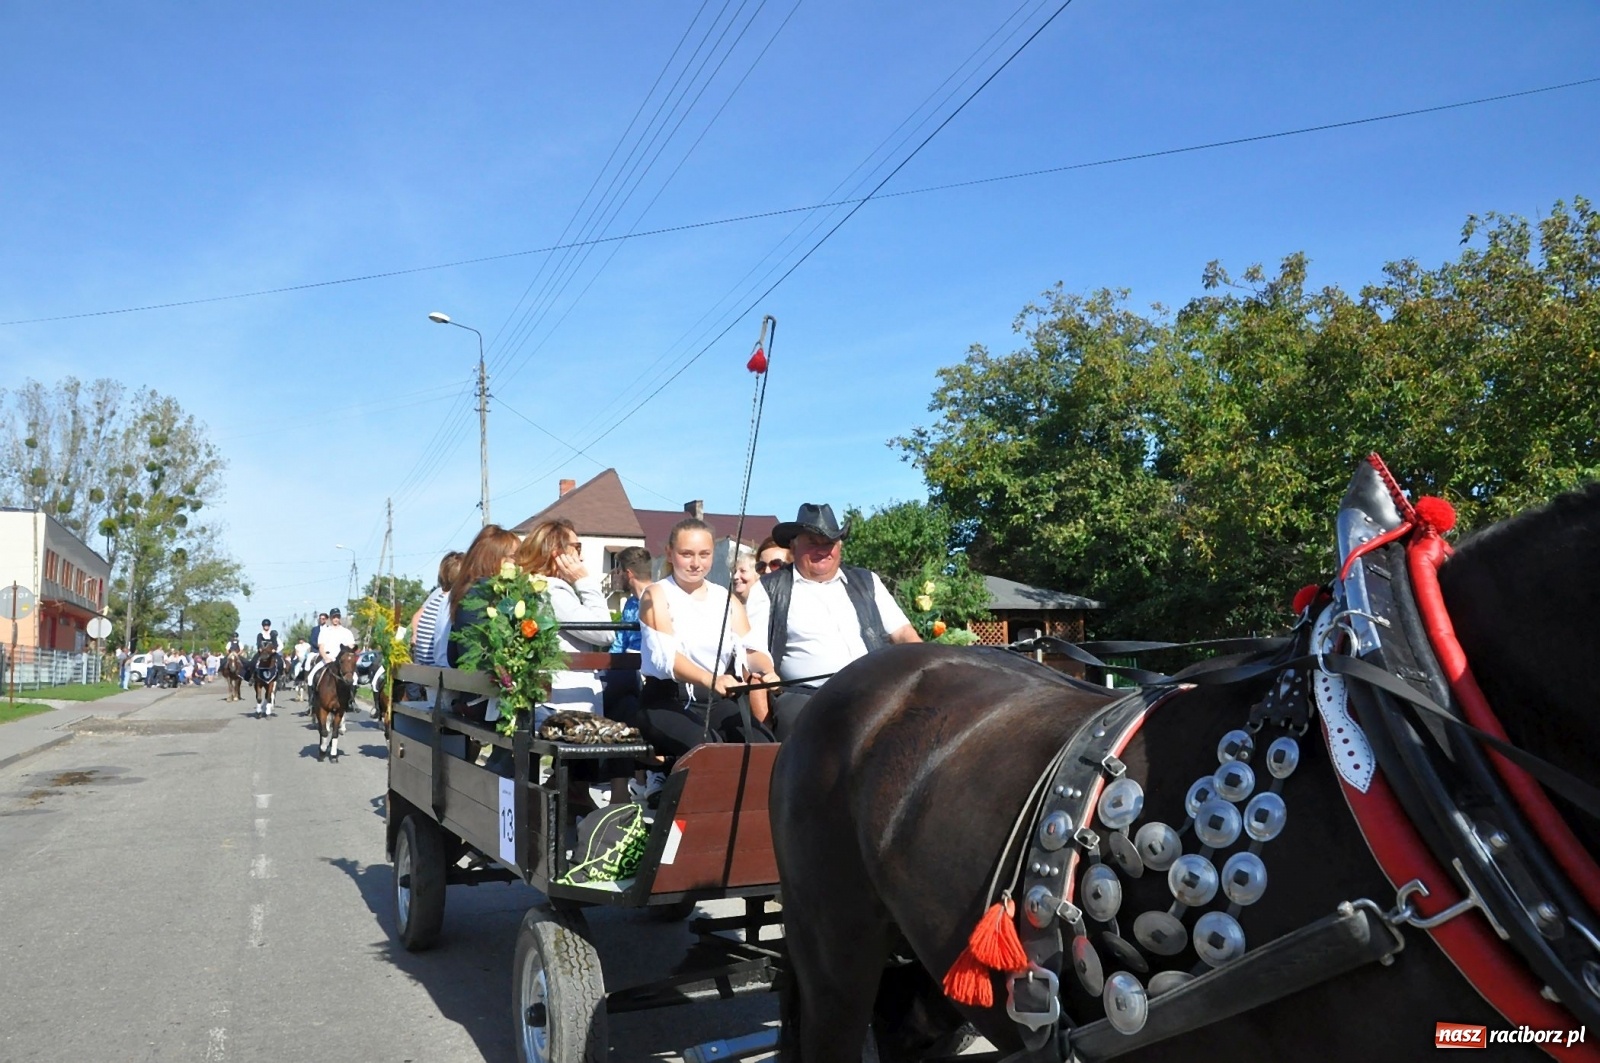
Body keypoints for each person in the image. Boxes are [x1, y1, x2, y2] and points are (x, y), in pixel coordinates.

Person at [744, 503, 920, 740]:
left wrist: (929, 664)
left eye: (829, 543)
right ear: (793, 547)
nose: (822, 550)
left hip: (872, 689)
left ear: (840, 546)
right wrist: (767, 671)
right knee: (794, 723)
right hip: (803, 696)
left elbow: (904, 635)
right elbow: (753, 651)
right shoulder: (768, 589)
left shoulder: (868, 582)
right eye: (812, 543)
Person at [638, 518, 776, 758]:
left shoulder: (726, 599)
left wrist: (767, 671)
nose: (696, 563)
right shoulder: (656, 594)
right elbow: (666, 657)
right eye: (686, 554)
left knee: (764, 745)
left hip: (716, 701)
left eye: (704, 554)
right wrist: (711, 678)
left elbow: (751, 650)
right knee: (708, 750)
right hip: (666, 699)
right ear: (670, 554)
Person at [509, 519, 615, 723]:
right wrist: (584, 581)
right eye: (577, 548)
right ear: (557, 553)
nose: (581, 557)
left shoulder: (531, 586)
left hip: (551, 700)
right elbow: (605, 633)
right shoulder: (552, 590)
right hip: (565, 704)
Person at [440, 525, 523, 672]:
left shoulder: (463, 590)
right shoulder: (489, 592)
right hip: (491, 687)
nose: (519, 563)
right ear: (494, 558)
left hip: (471, 686)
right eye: (514, 557)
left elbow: (452, 657)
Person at [409, 550, 463, 669]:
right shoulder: (451, 601)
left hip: (426, 667)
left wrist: (415, 635)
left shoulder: (437, 598)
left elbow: (417, 617)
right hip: (441, 670)